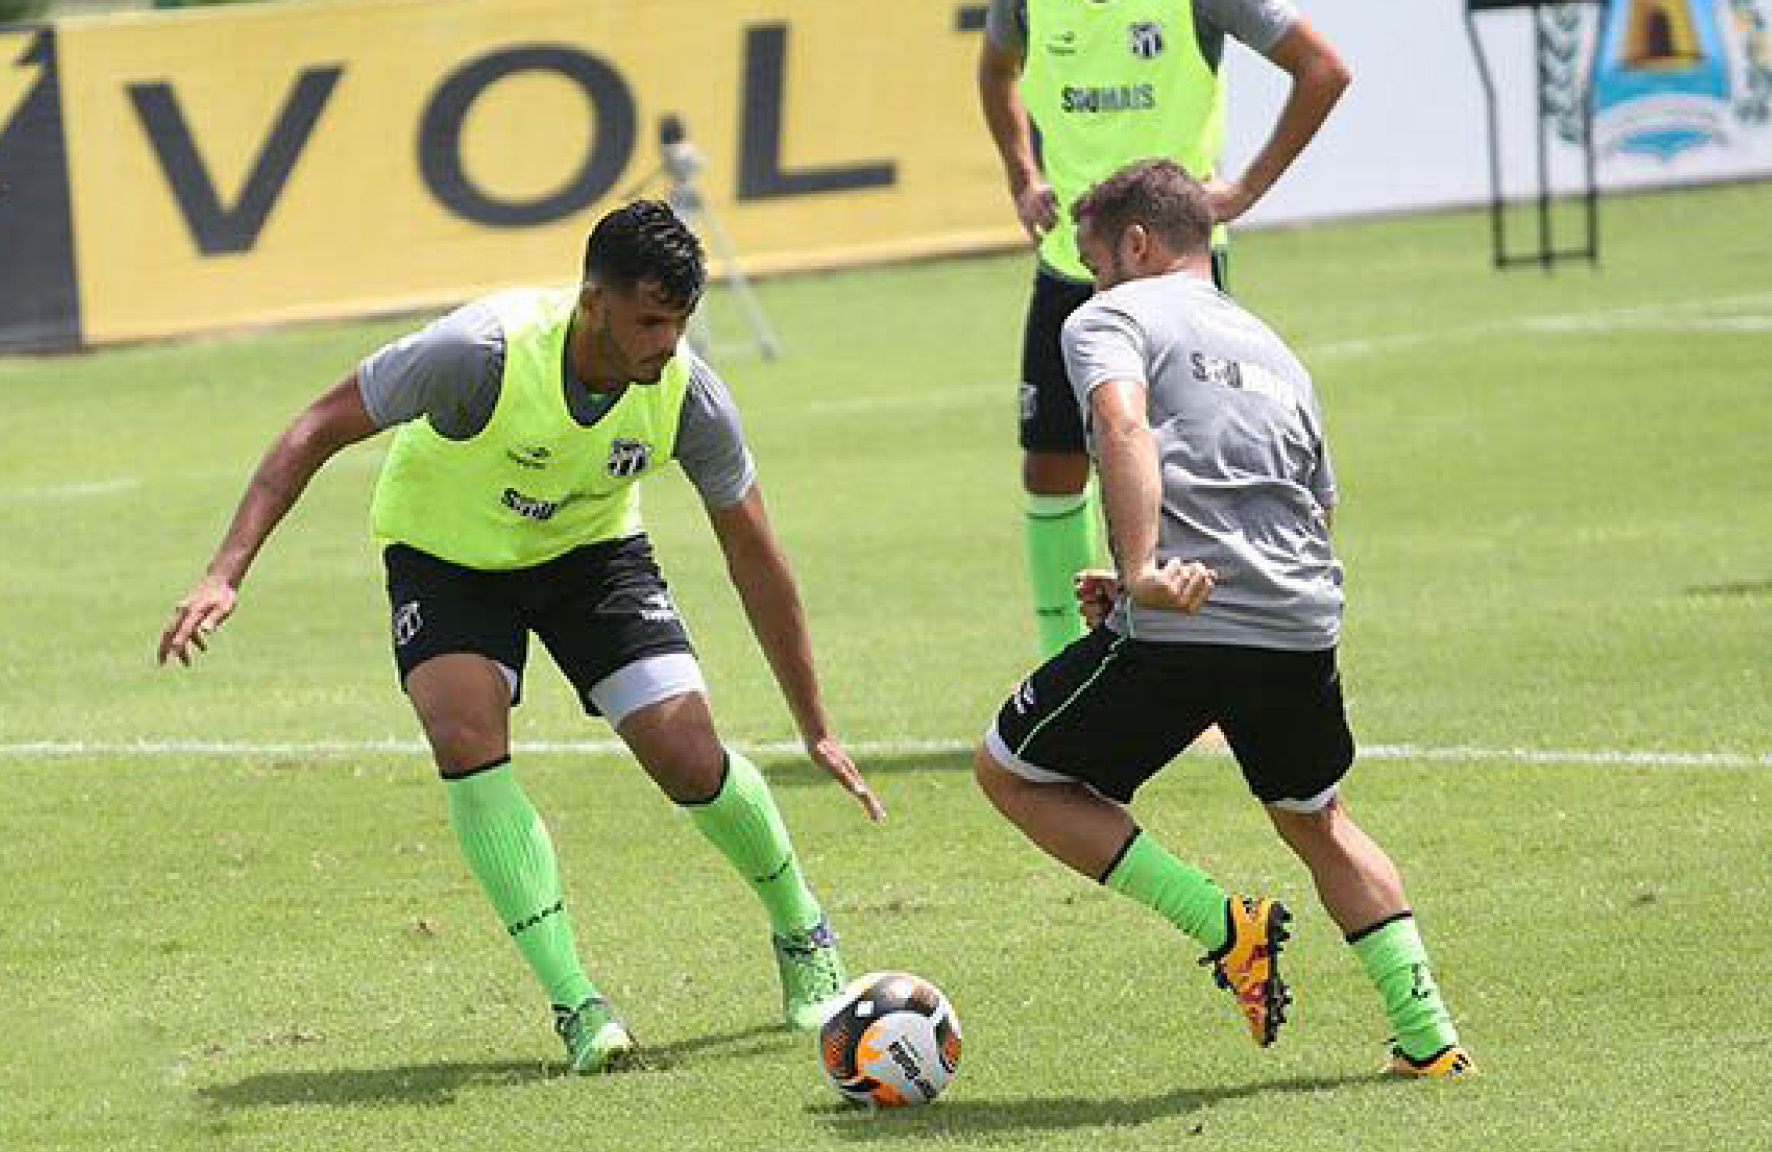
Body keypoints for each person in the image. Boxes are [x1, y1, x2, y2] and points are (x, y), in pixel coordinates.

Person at [158, 200, 884, 1074]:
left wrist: (815, 722)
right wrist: (224, 571)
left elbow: (755, 556)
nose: (667, 342)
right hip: (447, 553)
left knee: (687, 752)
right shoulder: (477, 355)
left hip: (592, 554)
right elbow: (315, 427)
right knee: (465, 734)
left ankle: (802, 928)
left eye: (681, 322)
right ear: (593, 302)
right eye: (650, 320)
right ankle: (578, 1004)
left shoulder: (691, 394)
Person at [972, 160, 1474, 1077]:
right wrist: (1138, 585)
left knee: (1012, 772)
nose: (1091, 285)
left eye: (1096, 262)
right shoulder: (1277, 348)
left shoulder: (1111, 317)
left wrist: (1141, 573)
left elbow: (1123, 427)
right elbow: (1311, 508)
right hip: (1300, 617)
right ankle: (1430, 1036)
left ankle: (1224, 925)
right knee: (1316, 817)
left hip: (1188, 617)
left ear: (1135, 243)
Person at [977, 0, 1350, 656]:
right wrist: (1022, 176)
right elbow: (995, 69)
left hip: (1178, 282)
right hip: (1071, 269)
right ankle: (1064, 656)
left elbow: (1322, 70)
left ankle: (1195, 662)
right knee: (1051, 466)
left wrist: (1246, 190)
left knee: (1191, 474)